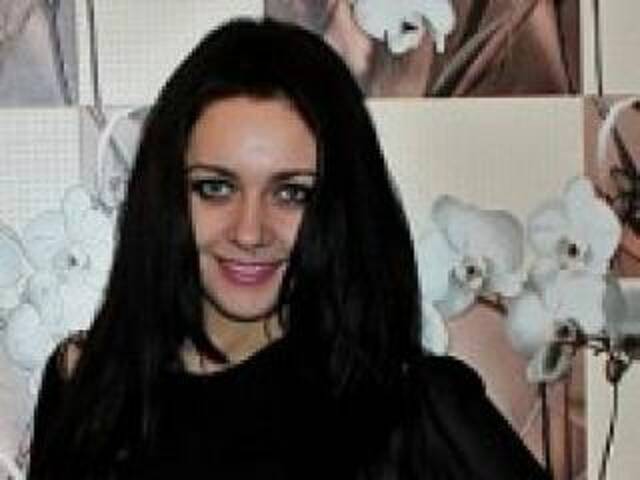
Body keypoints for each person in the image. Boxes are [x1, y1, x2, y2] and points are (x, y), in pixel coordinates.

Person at [27, 18, 549, 479]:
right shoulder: (88, 386)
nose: (249, 231)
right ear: (167, 196)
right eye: (216, 187)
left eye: (291, 193)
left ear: (338, 205)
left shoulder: (410, 407)